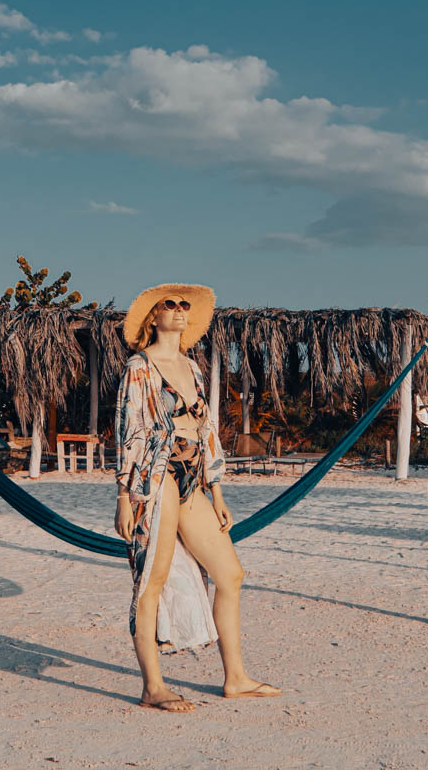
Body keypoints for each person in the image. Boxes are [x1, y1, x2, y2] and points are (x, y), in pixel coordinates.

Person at [114, 283, 280, 712]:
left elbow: (208, 432)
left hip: (194, 477)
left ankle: (236, 678)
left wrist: (217, 489)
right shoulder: (139, 367)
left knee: (231, 574)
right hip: (157, 475)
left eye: (185, 305)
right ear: (153, 316)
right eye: (170, 304)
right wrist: (124, 496)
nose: (180, 310)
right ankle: (153, 685)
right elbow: (128, 433)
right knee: (152, 579)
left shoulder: (194, 368)